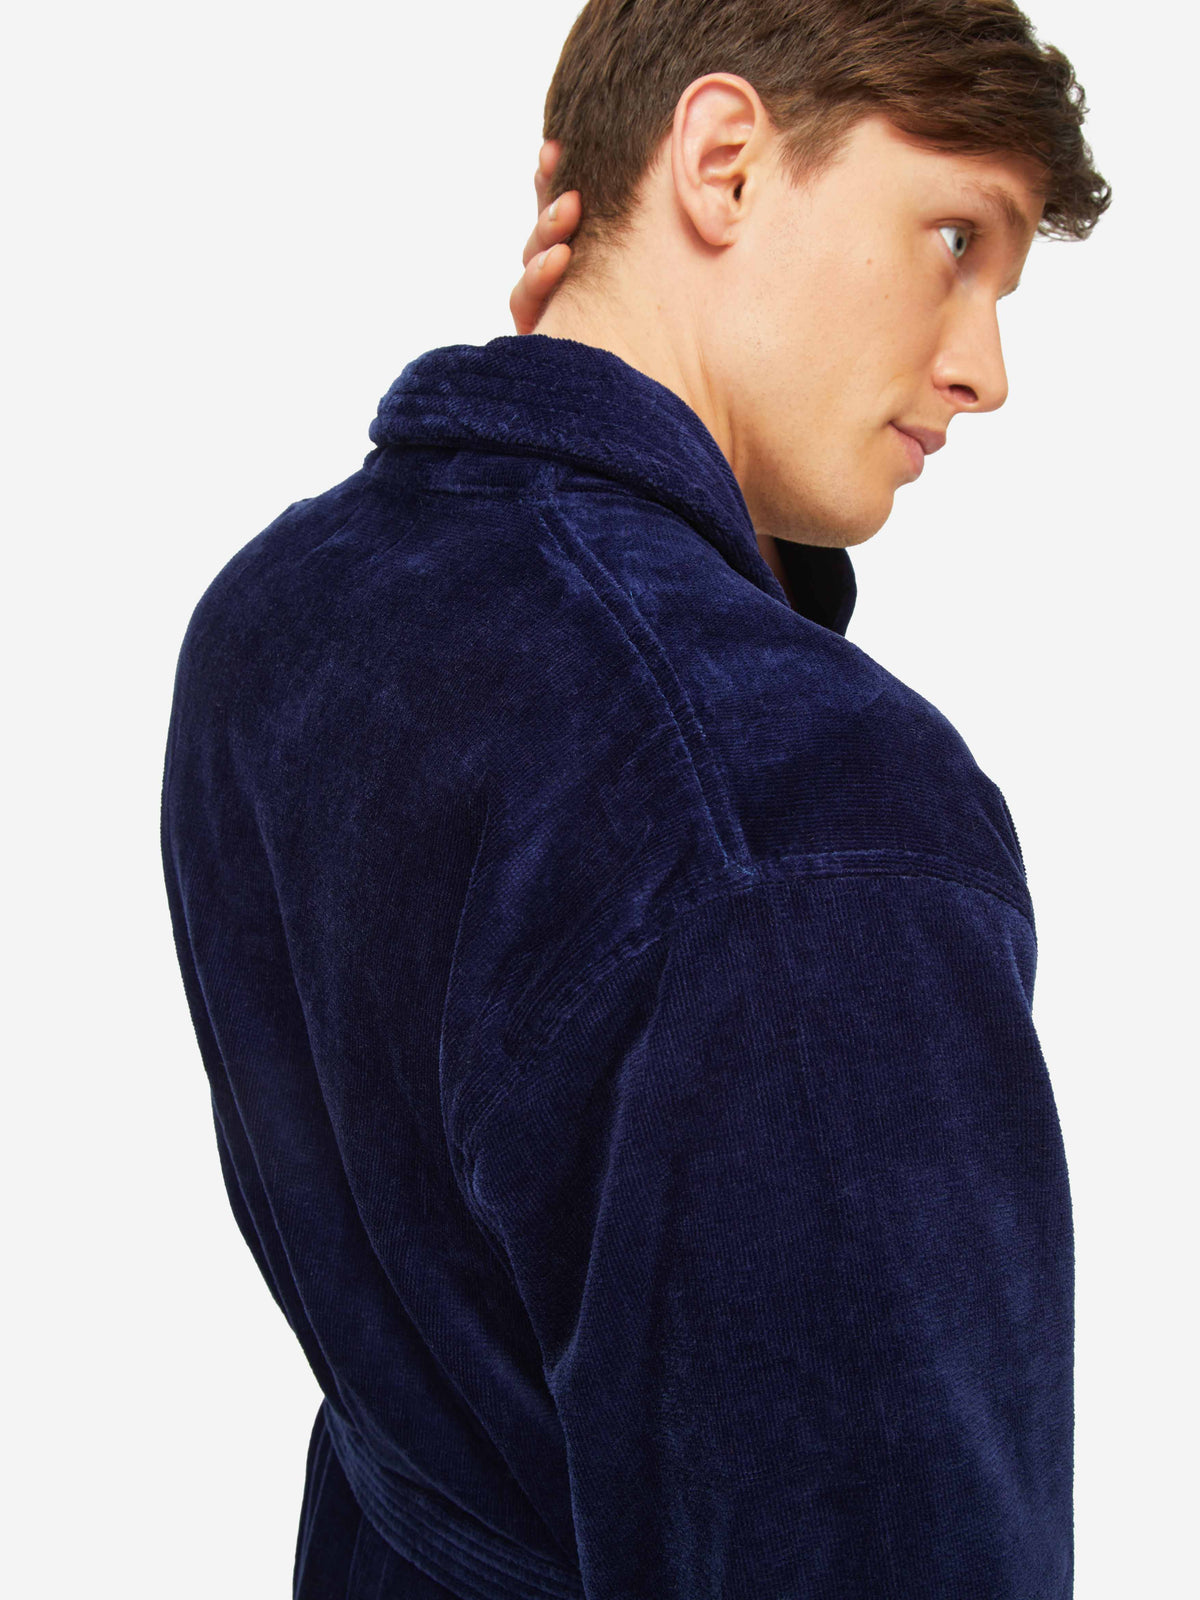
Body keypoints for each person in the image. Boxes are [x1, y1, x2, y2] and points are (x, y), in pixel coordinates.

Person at [159, 3, 1110, 1597]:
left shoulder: (278, 614)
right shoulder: (810, 808)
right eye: (957, 239)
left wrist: (635, 471)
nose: (986, 370)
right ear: (724, 161)